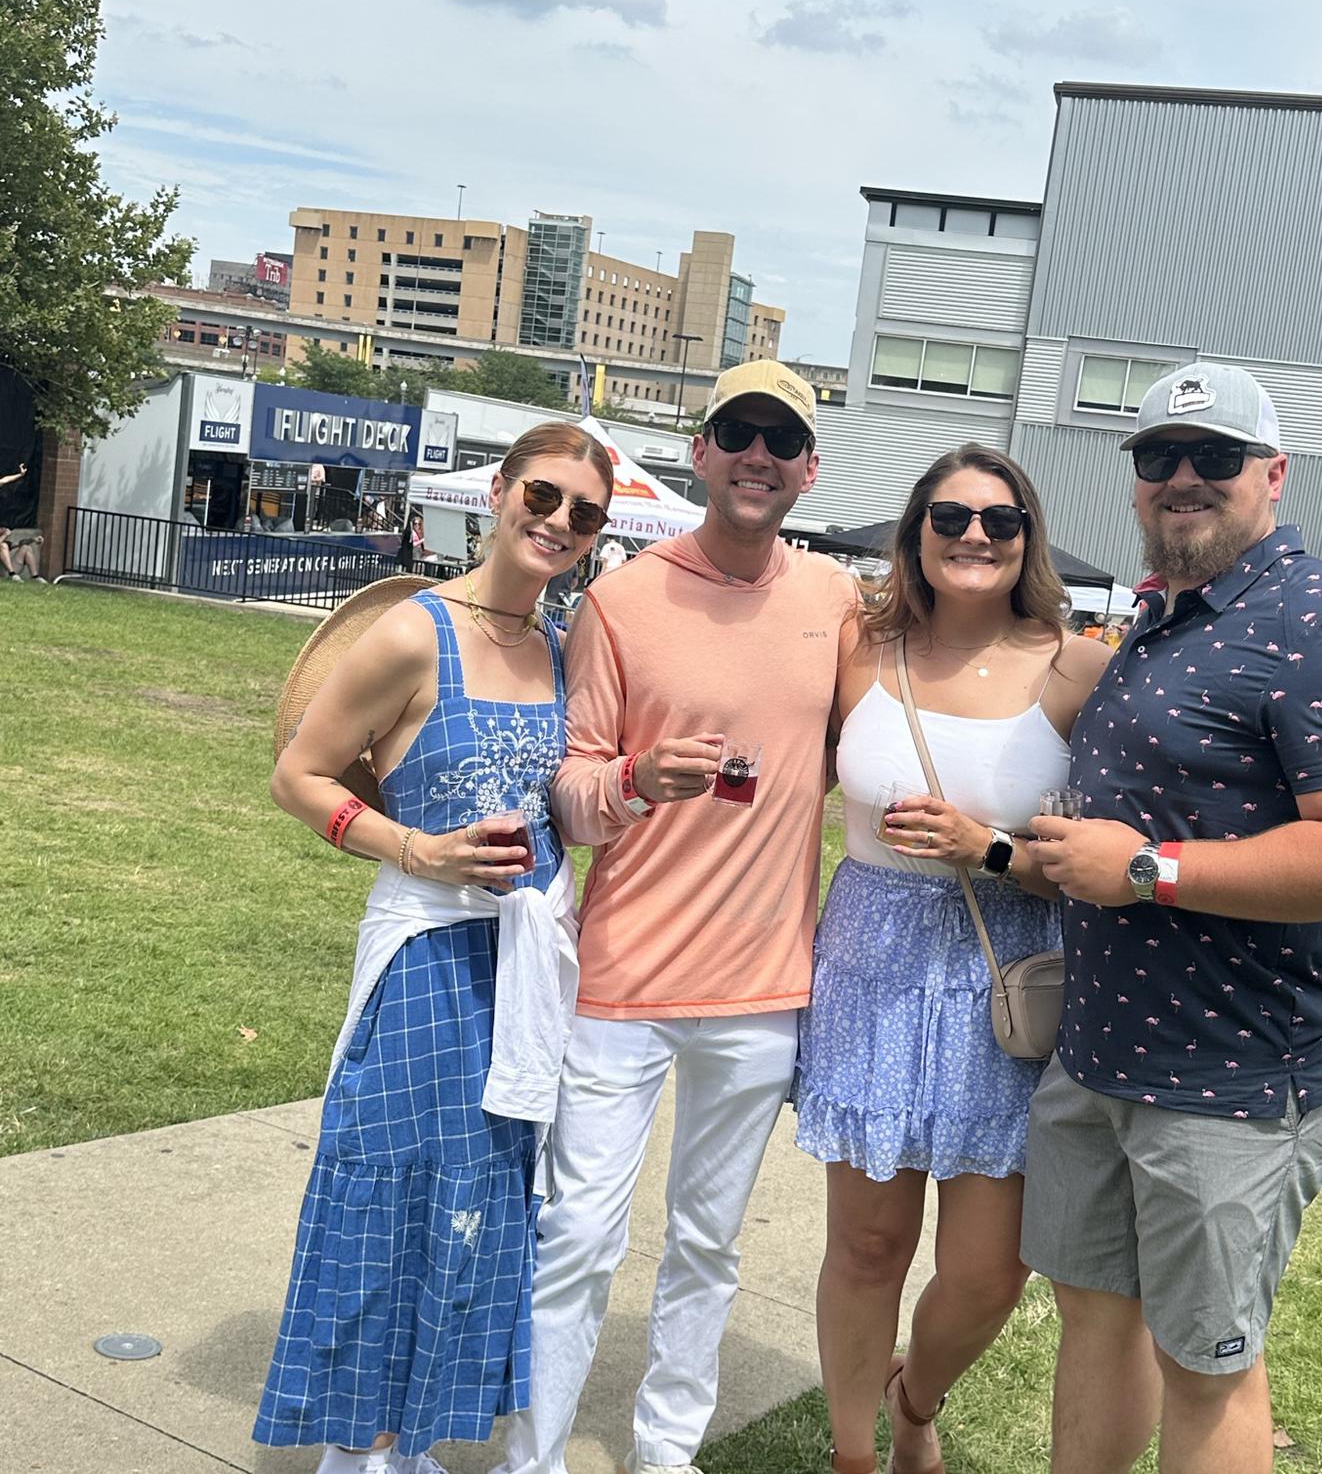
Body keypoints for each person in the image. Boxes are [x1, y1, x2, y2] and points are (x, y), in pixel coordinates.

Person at [1020, 362, 1322, 1474]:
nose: (1183, 479)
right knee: (1095, 1323)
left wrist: (1146, 869)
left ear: (1274, 474)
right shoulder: (1168, 620)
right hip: (1103, 1057)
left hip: (1235, 1083)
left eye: (1214, 457)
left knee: (1208, 1364)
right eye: (1160, 459)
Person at [493, 361, 857, 1474]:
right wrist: (640, 779)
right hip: (624, 981)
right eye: (737, 431)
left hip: (760, 988)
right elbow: (573, 791)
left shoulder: (836, 601)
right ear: (700, 451)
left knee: (707, 1243)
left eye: (780, 439)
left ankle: (666, 1450)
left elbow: (861, 754)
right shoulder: (622, 596)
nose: (758, 455)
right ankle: (535, 1456)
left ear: (808, 467)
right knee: (578, 1238)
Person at [253, 423, 615, 1474]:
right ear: (499, 492)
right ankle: (357, 1454)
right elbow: (300, 775)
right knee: (389, 1194)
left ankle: (414, 1444)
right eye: (542, 497)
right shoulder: (416, 633)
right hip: (424, 963)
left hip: (523, 968)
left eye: (582, 514)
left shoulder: (561, 647)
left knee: (480, 1204)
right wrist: (417, 847)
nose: (557, 523)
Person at [795, 445, 1110, 1474]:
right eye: (950, 517)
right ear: (915, 531)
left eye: (1000, 521)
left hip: (1007, 970)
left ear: (1029, 538)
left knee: (988, 1272)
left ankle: (915, 1398)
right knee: (869, 1245)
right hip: (871, 954)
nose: (975, 536)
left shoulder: (1077, 666)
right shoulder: (859, 647)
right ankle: (853, 1454)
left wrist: (994, 848)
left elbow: (1091, 863)